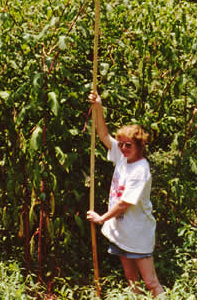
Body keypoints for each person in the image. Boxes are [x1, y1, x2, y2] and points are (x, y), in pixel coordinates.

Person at [86, 91, 165, 298]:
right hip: (122, 232)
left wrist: (101, 219)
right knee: (132, 283)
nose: (123, 148)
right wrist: (98, 107)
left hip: (138, 233)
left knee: (151, 282)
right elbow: (103, 135)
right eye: (120, 144)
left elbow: (124, 204)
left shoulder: (141, 170)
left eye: (128, 145)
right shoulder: (122, 157)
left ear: (140, 146)